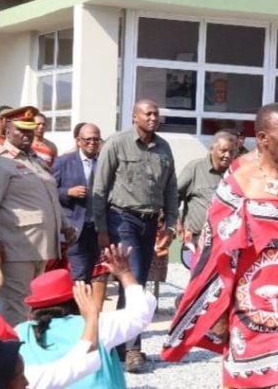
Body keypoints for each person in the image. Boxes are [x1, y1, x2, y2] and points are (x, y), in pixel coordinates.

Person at [162, 102, 278, 389]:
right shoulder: (239, 180)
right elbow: (214, 251)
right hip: (247, 309)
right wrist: (218, 313)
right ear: (262, 138)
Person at [92, 99, 178, 372]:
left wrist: (171, 224)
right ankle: (132, 349)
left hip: (150, 223)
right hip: (122, 220)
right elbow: (99, 187)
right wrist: (101, 228)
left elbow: (171, 189)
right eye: (148, 113)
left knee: (134, 280)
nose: (153, 118)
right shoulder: (117, 143)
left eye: (156, 114)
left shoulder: (164, 147)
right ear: (134, 116)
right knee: (136, 278)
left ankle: (119, 344)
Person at [0, 106, 76, 326]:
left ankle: (24, 343)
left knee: (32, 302)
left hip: (39, 246)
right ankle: (12, 345)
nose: (27, 135)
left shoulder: (35, 161)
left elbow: (50, 197)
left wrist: (65, 225)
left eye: (30, 130)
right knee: (15, 303)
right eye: (21, 130)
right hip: (13, 246)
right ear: (7, 130)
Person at [14, 244, 157, 388]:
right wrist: (125, 274)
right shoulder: (97, 325)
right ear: (77, 298)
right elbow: (141, 313)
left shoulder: (20, 332)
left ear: (34, 306)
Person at [0, 281, 106, 389]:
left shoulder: (24, 378)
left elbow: (75, 362)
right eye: (20, 376)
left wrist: (92, 317)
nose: (27, 382)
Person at [52, 123, 103, 281]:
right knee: (79, 274)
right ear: (78, 141)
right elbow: (49, 191)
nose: (92, 143)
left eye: (96, 139)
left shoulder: (104, 163)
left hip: (97, 229)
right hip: (74, 227)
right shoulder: (63, 162)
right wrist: (68, 192)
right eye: (88, 139)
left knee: (90, 274)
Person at [177, 131, 236, 249]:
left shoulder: (236, 173)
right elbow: (173, 195)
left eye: (231, 152)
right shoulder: (195, 168)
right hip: (195, 239)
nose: (227, 155)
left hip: (224, 241)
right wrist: (177, 223)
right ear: (212, 150)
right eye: (223, 151)